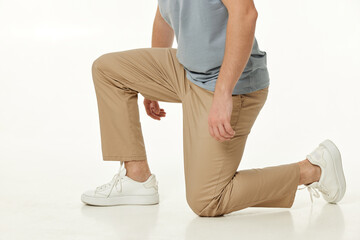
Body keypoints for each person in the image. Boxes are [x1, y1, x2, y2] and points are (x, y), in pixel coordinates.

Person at [81, 0, 346, 217]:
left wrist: (223, 93)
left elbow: (246, 14)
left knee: (206, 200)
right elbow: (163, 15)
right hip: (186, 70)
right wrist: (151, 85)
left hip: (229, 84)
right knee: (108, 70)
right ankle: (137, 179)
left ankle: (313, 169)